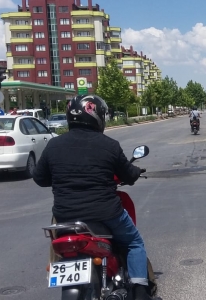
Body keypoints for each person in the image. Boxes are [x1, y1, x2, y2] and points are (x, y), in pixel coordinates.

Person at [32, 95, 153, 300]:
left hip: (65, 215)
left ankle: (60, 268)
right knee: (134, 242)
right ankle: (141, 292)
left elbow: (40, 178)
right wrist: (135, 172)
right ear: (97, 116)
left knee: (57, 241)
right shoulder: (109, 145)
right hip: (106, 213)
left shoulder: (54, 145)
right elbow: (128, 174)